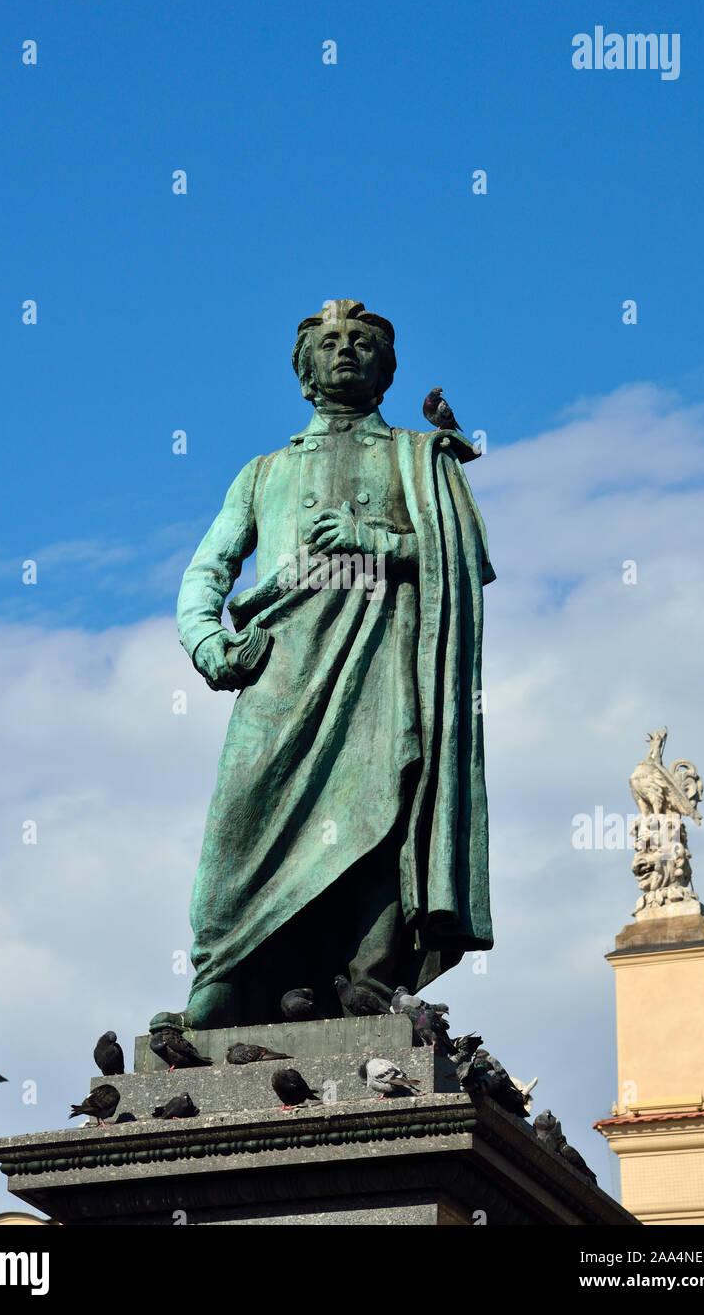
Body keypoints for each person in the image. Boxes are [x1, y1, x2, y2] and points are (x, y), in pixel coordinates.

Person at [177, 300, 495, 1026]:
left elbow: (462, 560)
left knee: (382, 806)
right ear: (303, 368)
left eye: (362, 342)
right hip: (280, 663)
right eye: (328, 342)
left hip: (382, 657)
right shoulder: (264, 472)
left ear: (385, 366)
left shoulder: (418, 458)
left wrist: (373, 540)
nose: (344, 351)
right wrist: (204, 638)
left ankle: (369, 977)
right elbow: (208, 569)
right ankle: (224, 968)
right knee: (240, 818)